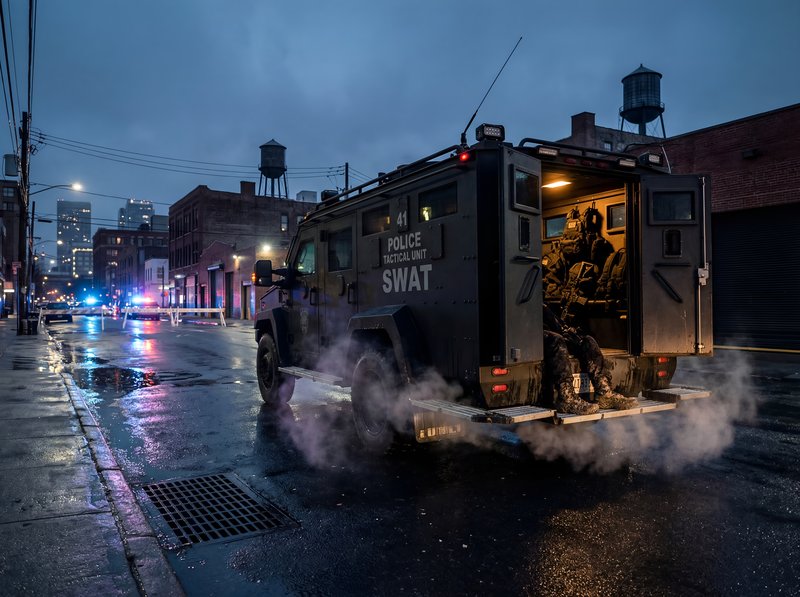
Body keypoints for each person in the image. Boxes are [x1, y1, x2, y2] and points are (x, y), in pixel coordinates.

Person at [543, 305, 638, 415]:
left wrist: (567, 331)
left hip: (552, 334)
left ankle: (604, 393)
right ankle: (566, 398)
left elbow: (555, 321)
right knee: (556, 340)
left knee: (588, 341)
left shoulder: (541, 307)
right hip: (534, 338)